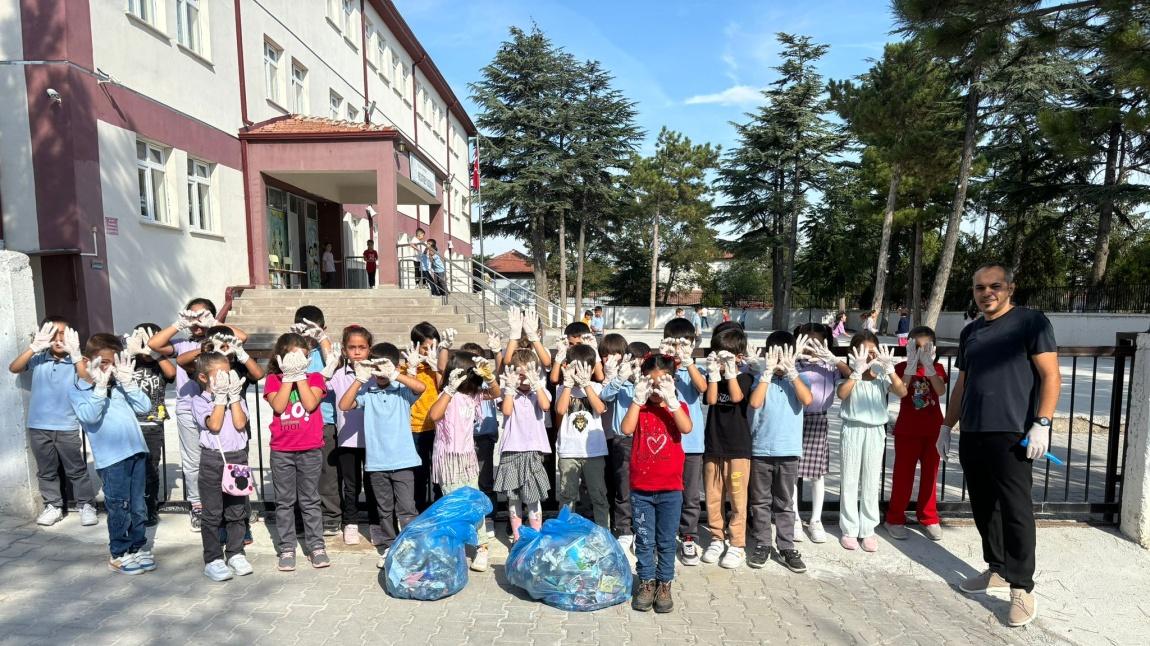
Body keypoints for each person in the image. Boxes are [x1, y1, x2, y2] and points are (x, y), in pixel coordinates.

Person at [941, 263, 1059, 628]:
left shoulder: (1031, 322)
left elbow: (1051, 374)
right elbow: (963, 383)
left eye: (994, 286)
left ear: (1010, 288)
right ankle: (998, 568)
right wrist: (946, 425)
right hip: (973, 432)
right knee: (983, 506)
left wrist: (1042, 423)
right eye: (979, 287)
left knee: (1015, 509)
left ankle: (1022, 587)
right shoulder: (971, 331)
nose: (986, 292)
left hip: (1012, 433)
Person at [148, 298, 246, 531]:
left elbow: (242, 338)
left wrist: (213, 323)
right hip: (187, 407)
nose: (197, 323)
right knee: (193, 461)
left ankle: (228, 503)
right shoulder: (183, 344)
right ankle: (197, 506)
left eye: (201, 317)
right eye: (192, 317)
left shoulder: (219, 342)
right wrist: (179, 323)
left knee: (221, 456)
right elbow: (155, 344)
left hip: (217, 405)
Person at [69, 334, 155, 574]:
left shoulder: (119, 385)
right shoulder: (79, 389)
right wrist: (99, 387)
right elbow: (88, 416)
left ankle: (137, 547)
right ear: (88, 361)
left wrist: (128, 384)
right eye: (104, 362)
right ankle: (119, 552)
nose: (110, 367)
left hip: (136, 452)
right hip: (112, 460)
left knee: (138, 505)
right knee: (120, 505)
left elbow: (144, 407)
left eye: (114, 362)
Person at [337, 342, 427, 569]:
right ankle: (390, 544)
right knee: (384, 509)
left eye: (383, 367)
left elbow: (420, 388)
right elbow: (344, 404)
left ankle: (410, 545)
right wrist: (360, 378)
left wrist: (395, 373)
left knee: (407, 509)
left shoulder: (402, 392)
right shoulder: (369, 393)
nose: (380, 373)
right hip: (377, 464)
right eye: (375, 367)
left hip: (404, 461)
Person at [9, 316, 98, 527]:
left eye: (62, 334)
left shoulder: (78, 361)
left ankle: (86, 505)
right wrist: (34, 347)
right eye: (53, 334)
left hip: (66, 425)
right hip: (38, 425)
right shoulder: (39, 358)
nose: (58, 339)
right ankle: (54, 506)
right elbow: (14, 367)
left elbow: (88, 380)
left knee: (76, 469)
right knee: (46, 470)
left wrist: (76, 356)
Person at [621, 355, 692, 614]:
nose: (655, 389)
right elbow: (626, 428)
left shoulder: (676, 406)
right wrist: (637, 399)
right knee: (644, 540)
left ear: (671, 381)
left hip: (671, 490)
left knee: (665, 540)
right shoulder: (640, 407)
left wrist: (671, 399)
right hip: (642, 489)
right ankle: (647, 582)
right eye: (650, 383)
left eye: (660, 383)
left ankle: (664, 583)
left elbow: (686, 427)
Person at [428, 351, 500, 572]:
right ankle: (455, 547)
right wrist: (449, 389)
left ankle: (482, 547)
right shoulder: (446, 395)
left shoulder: (474, 396)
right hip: (447, 460)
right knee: (453, 505)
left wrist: (489, 376)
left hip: (468, 458)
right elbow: (434, 415)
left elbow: (496, 393)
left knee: (473, 502)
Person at [746, 331, 812, 573]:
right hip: (761, 449)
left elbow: (807, 399)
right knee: (760, 501)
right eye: (776, 354)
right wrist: (766, 372)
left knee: (785, 502)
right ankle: (763, 542)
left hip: (789, 450)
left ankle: (786, 545)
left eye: (785, 354)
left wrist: (792, 371)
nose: (780, 360)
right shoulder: (759, 378)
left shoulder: (800, 379)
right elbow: (754, 403)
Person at [265, 332, 330, 571]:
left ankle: (316, 546)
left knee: (310, 499)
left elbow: (311, 404)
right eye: (291, 358)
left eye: (302, 358)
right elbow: (279, 406)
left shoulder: (314, 378)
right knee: (284, 501)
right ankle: (287, 547)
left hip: (310, 448)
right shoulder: (273, 379)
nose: (296, 362)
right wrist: (287, 377)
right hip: (282, 449)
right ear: (281, 358)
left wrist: (299, 375)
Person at [837, 332, 907, 552]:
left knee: (870, 480)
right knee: (849, 479)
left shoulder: (881, 374)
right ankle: (849, 529)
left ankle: (868, 529)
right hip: (853, 429)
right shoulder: (851, 372)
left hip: (876, 430)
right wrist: (856, 372)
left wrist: (891, 370)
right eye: (863, 352)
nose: (868, 356)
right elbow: (842, 394)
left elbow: (902, 392)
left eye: (872, 352)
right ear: (854, 352)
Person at [191, 352, 252, 582]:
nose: (226, 379)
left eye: (228, 373)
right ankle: (213, 559)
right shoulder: (200, 401)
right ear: (205, 378)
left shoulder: (237, 398)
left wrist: (233, 397)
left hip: (237, 457)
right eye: (220, 375)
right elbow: (214, 425)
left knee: (237, 511)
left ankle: (235, 553)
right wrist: (219, 399)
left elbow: (240, 423)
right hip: (213, 460)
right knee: (213, 513)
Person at [885, 326, 948, 541]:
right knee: (903, 476)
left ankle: (928, 517)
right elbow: (900, 390)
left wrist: (928, 367)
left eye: (925, 347)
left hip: (933, 431)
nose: (921, 352)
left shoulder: (937, 368)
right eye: (916, 347)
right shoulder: (902, 367)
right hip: (908, 431)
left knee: (930, 475)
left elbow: (940, 390)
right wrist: (911, 366)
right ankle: (894, 517)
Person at [701, 325, 755, 569]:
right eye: (717, 354)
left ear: (739, 357)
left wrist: (731, 372)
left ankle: (737, 544)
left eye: (726, 355)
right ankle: (716, 537)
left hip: (738, 448)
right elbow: (711, 400)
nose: (721, 360)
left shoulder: (745, 377)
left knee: (737, 497)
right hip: (713, 444)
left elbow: (736, 397)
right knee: (713, 495)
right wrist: (714, 374)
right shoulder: (713, 376)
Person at [325, 325, 382, 546]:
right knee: (351, 484)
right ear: (345, 350)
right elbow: (319, 387)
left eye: (362, 347)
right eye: (352, 347)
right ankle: (350, 522)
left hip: (373, 439)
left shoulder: (377, 374)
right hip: (347, 438)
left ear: (369, 349)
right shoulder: (339, 375)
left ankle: (376, 523)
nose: (357, 352)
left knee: (373, 483)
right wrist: (328, 367)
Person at [657, 319, 708, 566]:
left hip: (691, 444)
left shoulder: (693, 369)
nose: (678, 348)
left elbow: (703, 388)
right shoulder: (661, 366)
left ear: (693, 343)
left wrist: (688, 363)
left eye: (684, 343)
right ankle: (663, 535)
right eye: (674, 342)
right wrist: (664, 362)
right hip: (664, 443)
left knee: (690, 494)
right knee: (665, 491)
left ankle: (689, 535)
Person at [288, 307, 342, 539]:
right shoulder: (292, 350)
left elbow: (334, 364)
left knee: (326, 472)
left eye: (313, 329)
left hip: (324, 419)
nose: (307, 334)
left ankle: (330, 517)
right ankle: (300, 518)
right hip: (296, 419)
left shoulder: (324, 350)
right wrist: (292, 341)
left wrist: (321, 337)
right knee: (299, 474)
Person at [792, 323, 848, 543]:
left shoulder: (829, 366)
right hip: (794, 419)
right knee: (792, 473)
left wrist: (834, 359)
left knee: (817, 474)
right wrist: (794, 356)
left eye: (817, 342)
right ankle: (794, 518)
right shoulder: (793, 362)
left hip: (818, 419)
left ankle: (816, 519)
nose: (812, 347)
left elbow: (851, 375)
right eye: (807, 341)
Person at [496, 349, 553, 542]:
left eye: (527, 374)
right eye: (520, 375)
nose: (524, 380)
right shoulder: (507, 392)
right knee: (514, 498)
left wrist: (536, 383)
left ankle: (535, 537)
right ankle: (518, 538)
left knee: (532, 497)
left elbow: (546, 406)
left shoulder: (539, 392)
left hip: (533, 451)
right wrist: (510, 388)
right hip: (511, 450)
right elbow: (506, 410)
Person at [123, 323, 176, 527]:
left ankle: (149, 507)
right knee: (128, 468)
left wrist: (156, 353)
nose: (146, 346)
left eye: (151, 341)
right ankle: (130, 506)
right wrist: (129, 352)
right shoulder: (129, 363)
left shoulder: (158, 364)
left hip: (152, 425)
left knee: (150, 469)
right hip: (128, 425)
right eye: (142, 342)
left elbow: (171, 374)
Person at [555, 344, 610, 529]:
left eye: (585, 369)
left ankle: (603, 530)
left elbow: (600, 408)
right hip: (568, 452)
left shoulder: (596, 387)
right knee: (567, 495)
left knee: (598, 494)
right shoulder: (562, 389)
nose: (579, 373)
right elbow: (561, 410)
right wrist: (568, 384)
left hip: (593, 451)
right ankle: (564, 531)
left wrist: (586, 384)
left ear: (592, 369)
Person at [598, 335, 643, 552]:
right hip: (621, 439)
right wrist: (620, 377)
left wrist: (637, 378)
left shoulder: (644, 378)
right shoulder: (619, 378)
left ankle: (641, 529)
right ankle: (624, 530)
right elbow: (605, 396)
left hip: (643, 438)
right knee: (623, 487)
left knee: (642, 486)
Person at [463, 337, 504, 538]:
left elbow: (497, 389)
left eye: (477, 363)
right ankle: (470, 518)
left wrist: (496, 354)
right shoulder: (461, 385)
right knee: (466, 480)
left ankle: (489, 517)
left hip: (484, 435)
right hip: (464, 438)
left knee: (485, 480)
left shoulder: (487, 383)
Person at [406, 322, 449, 510]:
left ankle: (439, 512)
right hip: (416, 427)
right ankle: (420, 512)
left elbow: (444, 389)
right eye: (425, 348)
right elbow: (409, 391)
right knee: (419, 474)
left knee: (439, 474)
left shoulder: (441, 366)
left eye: (434, 347)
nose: (430, 352)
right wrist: (412, 369)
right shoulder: (408, 366)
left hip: (440, 427)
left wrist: (437, 368)